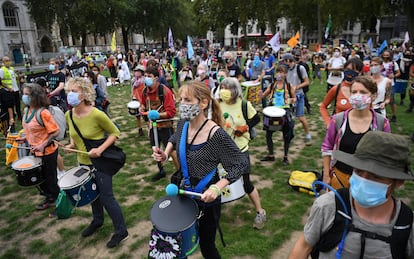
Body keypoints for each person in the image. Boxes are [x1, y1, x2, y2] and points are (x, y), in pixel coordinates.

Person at [152, 80, 247, 258]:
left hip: (207, 198)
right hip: (182, 193)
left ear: (203, 103)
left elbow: (241, 163)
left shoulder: (215, 134)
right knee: (179, 242)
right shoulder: (183, 123)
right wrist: (165, 154)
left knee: (207, 246)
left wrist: (218, 187)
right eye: (180, 100)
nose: (182, 105)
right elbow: (175, 138)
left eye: (187, 100)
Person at [289, 131, 414, 259]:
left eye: (375, 176)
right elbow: (304, 246)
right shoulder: (327, 206)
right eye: (358, 171)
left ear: (398, 182)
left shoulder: (407, 224)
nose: (363, 181)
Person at [64, 77, 128, 248]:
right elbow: (73, 133)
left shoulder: (97, 114)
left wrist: (100, 150)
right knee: (93, 196)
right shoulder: (68, 114)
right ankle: (98, 221)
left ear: (84, 93)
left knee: (106, 197)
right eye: (68, 91)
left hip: (101, 162)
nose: (70, 95)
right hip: (83, 162)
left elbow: (115, 132)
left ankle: (121, 231)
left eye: (74, 91)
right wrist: (71, 145)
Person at [321, 76, 391, 189]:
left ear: (373, 96)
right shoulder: (338, 120)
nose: (357, 95)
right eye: (354, 92)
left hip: (368, 180)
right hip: (339, 178)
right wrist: (326, 175)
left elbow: (386, 153)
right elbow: (327, 148)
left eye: (363, 92)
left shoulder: (382, 123)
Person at [219, 77, 266, 229]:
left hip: (240, 149)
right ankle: (212, 214)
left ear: (234, 90)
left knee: (246, 183)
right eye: (221, 87)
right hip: (222, 150)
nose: (223, 91)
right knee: (216, 182)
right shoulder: (218, 104)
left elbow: (257, 119)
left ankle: (260, 211)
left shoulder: (244, 104)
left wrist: (245, 128)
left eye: (226, 88)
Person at [20, 83, 60, 217]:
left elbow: (55, 132)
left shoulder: (44, 113)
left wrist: (43, 144)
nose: (24, 96)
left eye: (27, 94)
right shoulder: (26, 111)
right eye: (23, 93)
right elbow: (31, 130)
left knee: (51, 179)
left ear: (35, 96)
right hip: (34, 152)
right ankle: (49, 197)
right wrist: (25, 138)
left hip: (48, 152)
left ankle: (60, 203)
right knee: (40, 179)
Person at [139, 66, 177, 181]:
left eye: (149, 76)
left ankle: (180, 172)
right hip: (153, 127)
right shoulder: (144, 91)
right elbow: (143, 105)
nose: (146, 79)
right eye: (145, 76)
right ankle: (161, 170)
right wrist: (142, 108)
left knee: (172, 150)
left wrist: (157, 115)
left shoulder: (164, 91)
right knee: (155, 149)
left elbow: (171, 112)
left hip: (165, 126)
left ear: (156, 78)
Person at [259, 65, 296, 165]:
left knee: (286, 134)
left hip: (284, 111)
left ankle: (285, 156)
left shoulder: (289, 86)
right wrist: (260, 94)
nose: (279, 74)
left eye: (282, 72)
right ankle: (271, 155)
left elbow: (294, 99)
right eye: (278, 72)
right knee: (268, 133)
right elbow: (264, 96)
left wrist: (289, 100)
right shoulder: (272, 85)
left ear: (285, 74)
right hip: (272, 110)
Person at [320, 58, 364, 126]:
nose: (350, 72)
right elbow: (323, 106)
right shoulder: (336, 89)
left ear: (360, 72)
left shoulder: (364, 90)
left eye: (353, 70)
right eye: (348, 69)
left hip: (359, 128)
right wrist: (328, 122)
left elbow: (370, 110)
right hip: (339, 129)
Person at [283, 53, 312, 146]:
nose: (283, 63)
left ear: (288, 60)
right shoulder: (285, 70)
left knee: (301, 117)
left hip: (299, 95)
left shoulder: (300, 68)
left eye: (284, 61)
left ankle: (308, 134)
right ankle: (289, 136)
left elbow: (307, 82)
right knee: (288, 118)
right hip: (288, 97)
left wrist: (297, 87)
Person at [381, 50, 401, 122]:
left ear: (390, 55)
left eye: (387, 55)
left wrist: (394, 76)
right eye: (384, 54)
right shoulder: (380, 63)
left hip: (390, 84)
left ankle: (394, 115)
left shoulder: (393, 63)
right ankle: (382, 115)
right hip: (381, 83)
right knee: (381, 100)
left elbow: (398, 73)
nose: (386, 56)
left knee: (391, 100)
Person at [0, 56, 17, 133]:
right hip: (6, 92)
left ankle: (10, 127)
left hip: (10, 91)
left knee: (10, 108)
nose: (8, 62)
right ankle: (8, 128)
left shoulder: (11, 69)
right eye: (6, 61)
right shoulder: (2, 70)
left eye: (9, 60)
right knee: (6, 111)